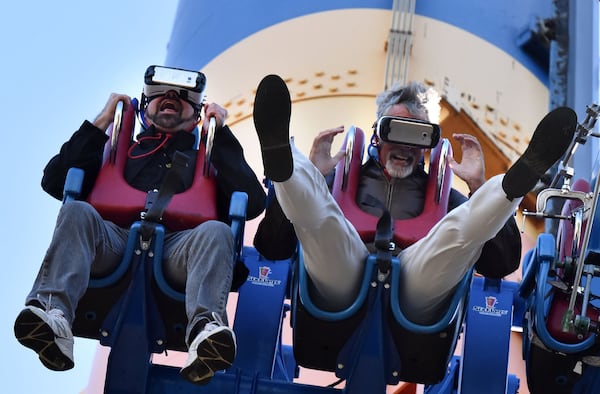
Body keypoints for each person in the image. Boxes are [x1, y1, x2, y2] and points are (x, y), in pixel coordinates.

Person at [252, 74, 576, 325]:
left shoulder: (442, 198)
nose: (406, 146)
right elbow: (272, 247)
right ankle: (287, 165)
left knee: (458, 232)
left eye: (418, 135)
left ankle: (509, 186)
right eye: (397, 131)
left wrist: (477, 184)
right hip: (339, 285)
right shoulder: (339, 184)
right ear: (377, 134)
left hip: (415, 297)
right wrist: (319, 176)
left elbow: (500, 265)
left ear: (428, 145)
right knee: (321, 217)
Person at [14, 66, 266, 385]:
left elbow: (254, 201)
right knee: (77, 212)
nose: (171, 99)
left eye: (182, 98)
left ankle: (206, 331)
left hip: (179, 252)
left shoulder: (208, 161)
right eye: (160, 95)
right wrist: (103, 121)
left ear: (198, 114)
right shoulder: (115, 152)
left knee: (216, 231)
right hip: (112, 244)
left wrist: (222, 135)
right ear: (143, 106)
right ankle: (53, 314)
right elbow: (54, 181)